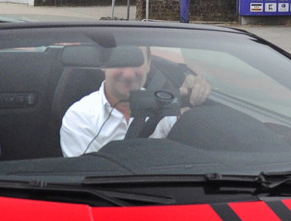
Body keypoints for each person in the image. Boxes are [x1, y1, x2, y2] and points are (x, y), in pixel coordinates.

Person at [60, 48, 212, 157]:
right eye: (120, 61)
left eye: (136, 61)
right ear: (103, 65)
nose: (128, 74)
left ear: (148, 64)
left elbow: (187, 133)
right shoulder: (79, 116)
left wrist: (197, 92)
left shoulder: (165, 101)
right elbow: (88, 179)